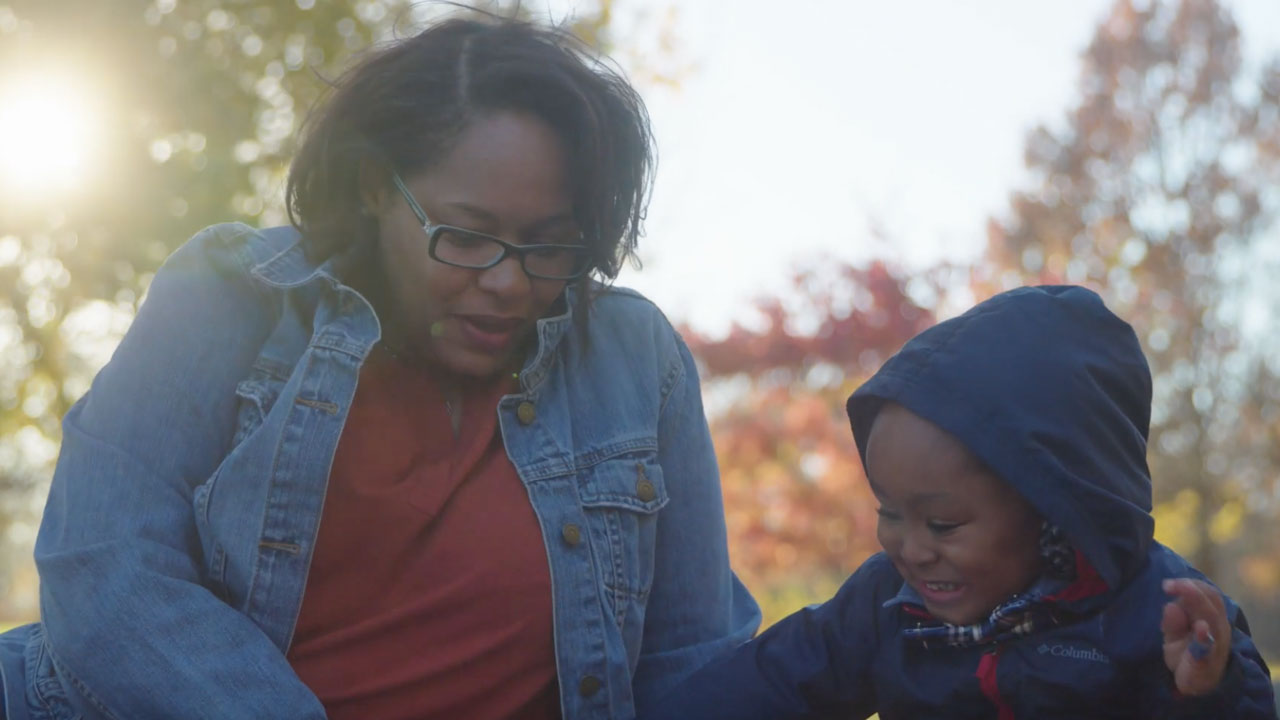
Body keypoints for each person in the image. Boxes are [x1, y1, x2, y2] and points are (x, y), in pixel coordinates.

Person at [0, 14, 759, 720]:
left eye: (548, 244)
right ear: (374, 187)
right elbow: (105, 567)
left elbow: (690, 663)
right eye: (466, 236)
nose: (508, 281)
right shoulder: (232, 294)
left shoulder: (633, 359)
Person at [640, 285, 1277, 719]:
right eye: (890, 511)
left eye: (942, 523)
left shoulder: (1151, 609)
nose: (911, 548)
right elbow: (773, 681)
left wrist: (1208, 690)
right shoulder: (886, 605)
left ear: (1050, 508)